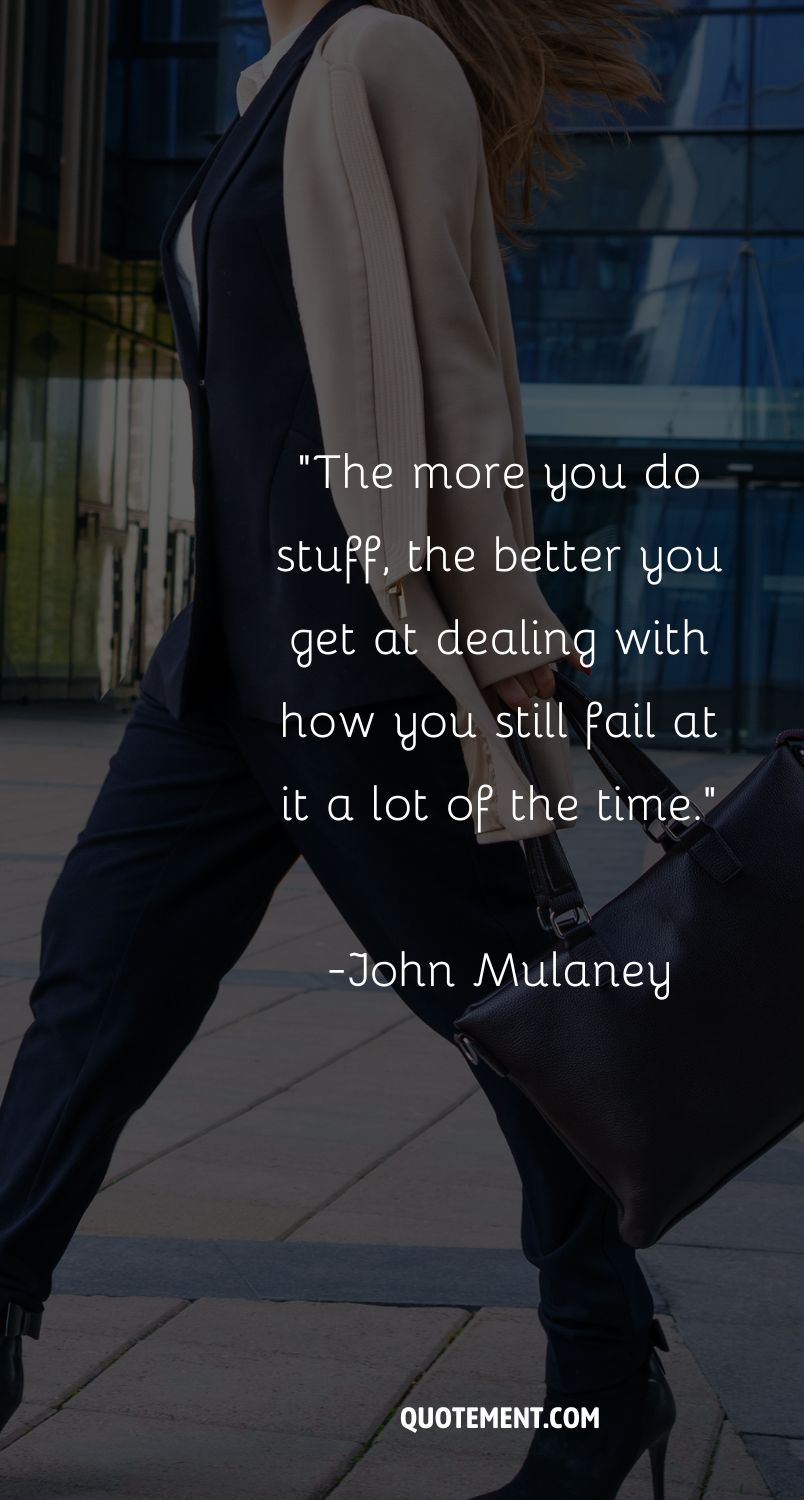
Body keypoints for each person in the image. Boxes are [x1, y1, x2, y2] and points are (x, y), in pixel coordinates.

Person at [0, 3, 675, 1494]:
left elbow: (453, 361)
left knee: (513, 1023)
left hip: (353, 651)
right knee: (96, 978)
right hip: (222, 665)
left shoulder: (382, 57)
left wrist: (502, 635)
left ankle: (605, 1374)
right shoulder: (264, 87)